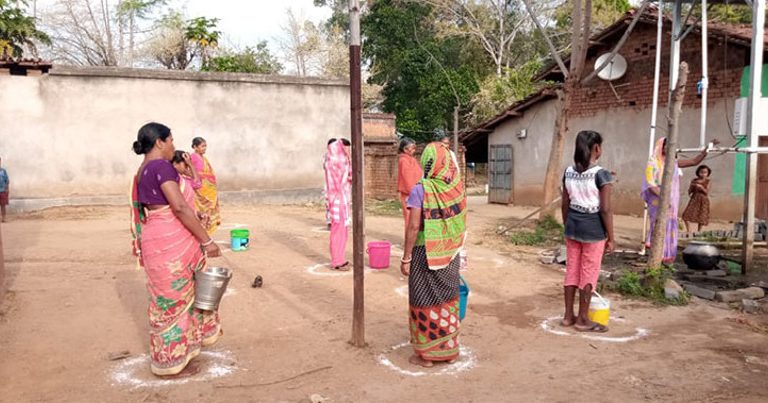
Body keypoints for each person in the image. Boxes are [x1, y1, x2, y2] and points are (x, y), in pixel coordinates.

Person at [130, 123, 222, 377]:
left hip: (157, 237)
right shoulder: (161, 167)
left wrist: (195, 215)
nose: (173, 145)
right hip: (170, 240)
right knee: (174, 299)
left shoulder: (143, 169)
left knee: (170, 298)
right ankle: (171, 361)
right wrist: (207, 241)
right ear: (159, 142)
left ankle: (182, 354)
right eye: (170, 140)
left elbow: (164, 204)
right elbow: (179, 207)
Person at [400, 141, 467, 368]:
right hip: (450, 253)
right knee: (448, 298)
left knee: (422, 298)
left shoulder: (421, 189)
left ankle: (427, 355)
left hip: (424, 253)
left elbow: (413, 227)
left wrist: (406, 257)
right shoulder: (457, 188)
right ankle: (449, 351)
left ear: (427, 163)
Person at [560, 130, 614, 333]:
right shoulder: (602, 174)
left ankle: (568, 316)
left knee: (572, 270)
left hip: (572, 226)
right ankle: (583, 319)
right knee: (588, 272)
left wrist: (567, 226)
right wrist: (611, 237)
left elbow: (565, 203)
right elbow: (605, 209)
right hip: (593, 229)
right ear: (597, 148)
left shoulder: (568, 171)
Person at [642, 137, 716, 264]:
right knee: (659, 225)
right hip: (658, 200)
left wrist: (707, 149)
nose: (670, 149)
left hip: (672, 201)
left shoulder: (674, 163)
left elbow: (694, 161)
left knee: (670, 225)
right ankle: (656, 256)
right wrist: (664, 198)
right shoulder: (653, 164)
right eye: (667, 146)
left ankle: (666, 255)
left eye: (672, 147)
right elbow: (651, 185)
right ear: (661, 147)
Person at [325, 139, 352, 270]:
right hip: (338, 200)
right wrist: (349, 159)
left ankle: (339, 258)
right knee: (339, 231)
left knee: (342, 231)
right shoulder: (337, 162)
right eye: (345, 148)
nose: (348, 151)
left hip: (340, 200)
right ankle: (337, 261)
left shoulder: (331, 160)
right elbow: (351, 176)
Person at [172, 150, 211, 229]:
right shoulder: (175, 179)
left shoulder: (182, 178)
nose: (187, 168)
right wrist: (190, 164)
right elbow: (197, 183)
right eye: (185, 165)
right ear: (175, 164)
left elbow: (197, 183)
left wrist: (188, 167)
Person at [190, 137, 221, 235]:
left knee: (208, 211)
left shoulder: (204, 158)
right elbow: (192, 172)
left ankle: (206, 232)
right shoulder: (193, 157)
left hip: (209, 190)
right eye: (202, 146)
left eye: (205, 146)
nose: (205, 148)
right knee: (202, 211)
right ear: (195, 147)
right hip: (201, 191)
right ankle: (201, 232)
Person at [397, 138, 422, 236]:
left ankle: (415, 239)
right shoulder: (403, 160)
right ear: (405, 149)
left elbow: (420, 174)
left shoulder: (412, 160)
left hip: (416, 192)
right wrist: (414, 192)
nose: (414, 150)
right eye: (412, 148)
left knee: (416, 218)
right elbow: (407, 178)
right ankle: (409, 240)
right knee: (409, 217)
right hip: (409, 193)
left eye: (414, 147)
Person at [682, 165, 712, 234]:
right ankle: (689, 230)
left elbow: (707, 192)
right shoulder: (694, 180)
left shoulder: (708, 181)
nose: (703, 174)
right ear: (698, 172)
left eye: (705, 172)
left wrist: (701, 187)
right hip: (694, 199)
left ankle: (699, 232)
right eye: (701, 172)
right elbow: (690, 191)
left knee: (702, 216)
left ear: (708, 173)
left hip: (703, 200)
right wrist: (691, 188)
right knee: (686, 215)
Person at [322, 138, 337, 230]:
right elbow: (325, 167)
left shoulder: (340, 156)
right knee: (329, 203)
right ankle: (330, 221)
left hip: (338, 184)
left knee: (338, 203)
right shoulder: (327, 156)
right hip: (329, 184)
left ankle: (337, 220)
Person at [0, 157, 8, 223]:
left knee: (3, 205)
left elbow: (7, 181)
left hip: (2, 190)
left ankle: (3, 218)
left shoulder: (3, 171)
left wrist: (7, 189)